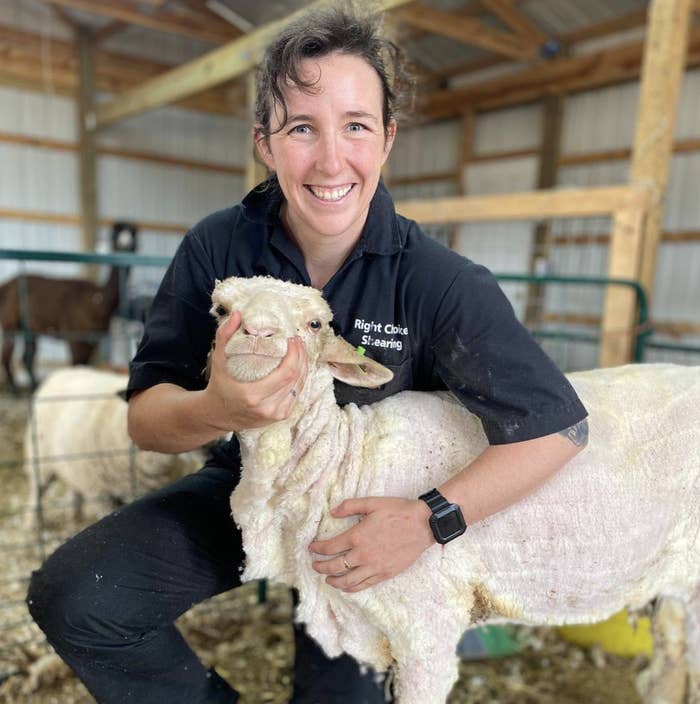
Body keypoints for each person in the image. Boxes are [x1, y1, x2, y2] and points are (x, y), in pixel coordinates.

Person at [27, 4, 589, 703]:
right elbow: (146, 416)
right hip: (253, 487)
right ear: (264, 141)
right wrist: (215, 408)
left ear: (386, 139)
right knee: (78, 597)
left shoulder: (438, 282)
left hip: (370, 518)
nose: (330, 160)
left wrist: (433, 518)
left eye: (355, 126)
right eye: (301, 128)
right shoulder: (218, 247)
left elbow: (559, 426)